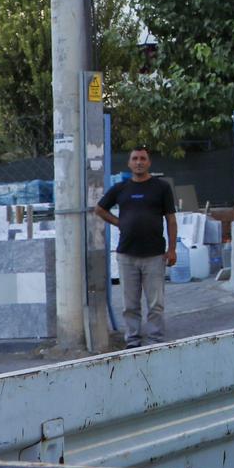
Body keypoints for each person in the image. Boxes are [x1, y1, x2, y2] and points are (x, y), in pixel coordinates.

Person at [93, 147, 177, 347]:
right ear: (129, 163)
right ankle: (133, 340)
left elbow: (171, 220)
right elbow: (99, 209)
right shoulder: (121, 189)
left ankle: (156, 339)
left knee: (156, 304)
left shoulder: (161, 188)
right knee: (130, 304)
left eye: (143, 159)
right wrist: (119, 222)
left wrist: (172, 249)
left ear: (149, 163)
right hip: (127, 256)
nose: (139, 162)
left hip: (155, 255)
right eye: (135, 159)